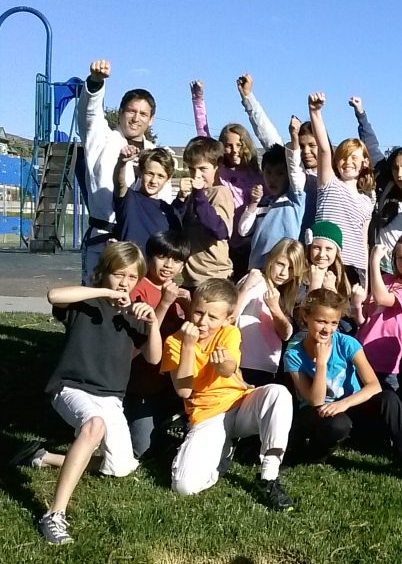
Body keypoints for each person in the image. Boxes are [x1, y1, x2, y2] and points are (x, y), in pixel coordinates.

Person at [35, 242, 161, 545]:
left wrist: (154, 322)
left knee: (120, 467)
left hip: (111, 397)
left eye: (132, 277)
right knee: (94, 426)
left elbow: (154, 358)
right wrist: (104, 293)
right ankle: (53, 515)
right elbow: (55, 296)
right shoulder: (86, 302)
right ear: (105, 272)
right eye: (119, 275)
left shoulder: (135, 315)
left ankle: (44, 457)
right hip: (71, 387)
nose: (125, 283)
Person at [285, 288, 402, 491]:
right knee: (338, 424)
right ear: (306, 317)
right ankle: (315, 454)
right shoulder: (294, 354)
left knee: (388, 397)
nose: (328, 329)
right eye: (321, 322)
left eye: (333, 323)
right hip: (319, 415)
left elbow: (373, 385)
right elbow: (315, 401)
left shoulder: (347, 343)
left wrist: (343, 404)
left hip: (349, 407)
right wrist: (322, 364)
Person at [162, 278, 295, 510]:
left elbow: (228, 368)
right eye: (198, 313)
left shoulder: (229, 333)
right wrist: (189, 347)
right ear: (190, 309)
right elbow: (184, 390)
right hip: (207, 416)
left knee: (278, 393)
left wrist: (223, 363)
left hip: (240, 404)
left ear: (226, 319)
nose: (203, 322)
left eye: (212, 317)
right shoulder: (175, 341)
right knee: (184, 487)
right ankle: (223, 454)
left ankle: (269, 477)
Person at [190, 75, 280, 279]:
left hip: (250, 244)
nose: (234, 150)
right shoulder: (219, 173)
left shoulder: (259, 175)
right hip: (223, 243)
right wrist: (198, 100)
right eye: (229, 145)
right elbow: (203, 137)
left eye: (239, 144)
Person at [78, 59, 158, 283]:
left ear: (151, 120)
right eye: (131, 111)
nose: (136, 118)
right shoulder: (102, 139)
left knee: (134, 307)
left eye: (143, 114)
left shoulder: (157, 155)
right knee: (94, 303)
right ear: (121, 112)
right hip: (102, 238)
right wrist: (95, 83)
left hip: (139, 242)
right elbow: (89, 114)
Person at [123, 231, 191, 459]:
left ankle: (169, 418)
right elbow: (143, 337)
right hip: (139, 383)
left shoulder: (177, 292)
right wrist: (164, 303)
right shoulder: (138, 287)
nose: (168, 265)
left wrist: (189, 307)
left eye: (176, 260)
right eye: (162, 257)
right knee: (141, 451)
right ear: (149, 257)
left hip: (168, 382)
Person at [308, 93, 375, 285]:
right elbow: (323, 149)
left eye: (354, 157)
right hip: (327, 261)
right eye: (344, 157)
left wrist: (367, 282)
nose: (348, 162)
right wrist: (315, 112)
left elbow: (364, 242)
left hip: (355, 269)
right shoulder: (329, 184)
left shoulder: (367, 201)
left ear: (364, 162)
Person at [353, 232, 402, 391]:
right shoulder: (385, 280)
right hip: (361, 355)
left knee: (386, 404)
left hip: (387, 362)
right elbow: (363, 321)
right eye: (399, 257)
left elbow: (383, 298)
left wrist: (374, 261)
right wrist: (356, 305)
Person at [235, 238, 307, 386]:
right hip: (243, 362)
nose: (284, 273)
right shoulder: (255, 281)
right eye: (281, 264)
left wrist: (275, 308)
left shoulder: (283, 294)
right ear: (271, 260)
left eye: (291, 268)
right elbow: (230, 316)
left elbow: (286, 334)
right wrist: (245, 288)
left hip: (267, 366)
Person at [178, 136, 235, 288]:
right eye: (191, 169)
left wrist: (198, 196)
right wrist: (180, 200)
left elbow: (219, 230)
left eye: (203, 169)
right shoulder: (192, 196)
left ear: (217, 167)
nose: (196, 175)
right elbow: (176, 227)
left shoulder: (220, 193)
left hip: (214, 277)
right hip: (190, 278)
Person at [239, 142, 305, 271]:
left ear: (288, 176)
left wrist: (294, 137)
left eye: (279, 174)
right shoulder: (262, 202)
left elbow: (295, 170)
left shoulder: (293, 200)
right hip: (257, 268)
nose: (272, 179)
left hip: (283, 270)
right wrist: (254, 203)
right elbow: (243, 230)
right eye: (268, 172)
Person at [112, 146, 182, 250]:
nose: (153, 181)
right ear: (140, 172)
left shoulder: (170, 212)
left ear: (168, 178)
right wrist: (121, 163)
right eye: (150, 173)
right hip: (130, 265)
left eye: (160, 176)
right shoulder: (129, 199)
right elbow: (119, 183)